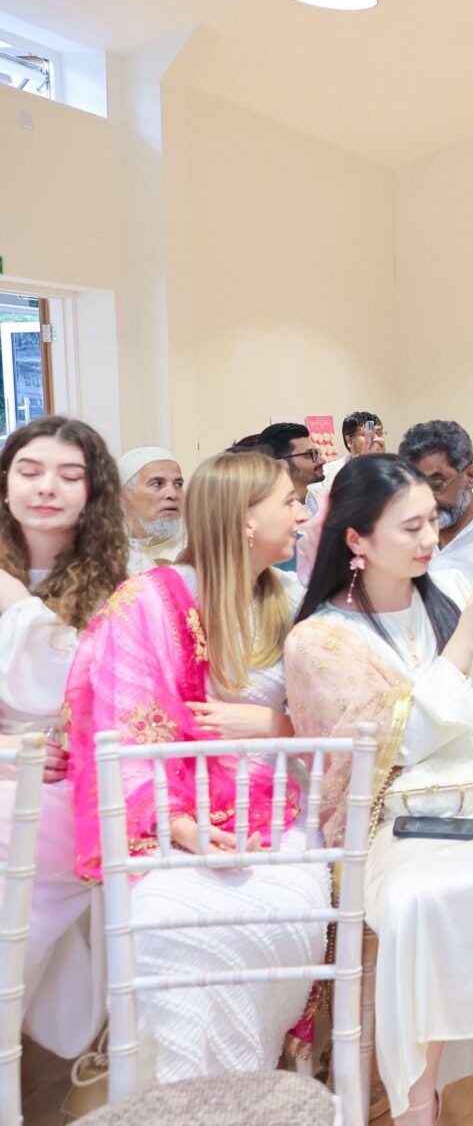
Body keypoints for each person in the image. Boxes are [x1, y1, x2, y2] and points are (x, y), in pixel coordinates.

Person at [284, 454, 473, 1126]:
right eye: (409, 528)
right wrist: (465, 640)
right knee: (413, 903)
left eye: (433, 522)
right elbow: (388, 751)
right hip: (400, 804)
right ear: (356, 538)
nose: (430, 539)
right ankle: (416, 1099)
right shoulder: (320, 639)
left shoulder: (456, 586)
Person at [66, 448, 329, 1085]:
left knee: (284, 916)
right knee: (166, 928)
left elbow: (336, 725)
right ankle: (188, 1096)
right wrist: (184, 828)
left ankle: (251, 1083)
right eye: (290, 502)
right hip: (170, 824)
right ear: (244, 519)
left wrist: (273, 725)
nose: (302, 515)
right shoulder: (149, 603)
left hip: (279, 810)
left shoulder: (292, 601)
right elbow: (119, 731)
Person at [0, 417, 129, 1062]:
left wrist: (16, 605)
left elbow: (85, 691)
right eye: (29, 471)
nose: (46, 487)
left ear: (92, 493)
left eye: (69, 475)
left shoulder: (123, 588)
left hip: (73, 784)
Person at [398, 419, 473, 579]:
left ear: (470, 476)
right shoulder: (401, 535)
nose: (426, 500)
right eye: (415, 487)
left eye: (437, 485)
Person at [119, 445, 187, 568]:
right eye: (158, 484)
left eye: (178, 484)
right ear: (125, 495)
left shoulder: (195, 544)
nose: (172, 494)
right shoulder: (102, 549)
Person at [311, 410, 384, 509]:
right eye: (368, 435)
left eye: (379, 433)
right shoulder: (328, 475)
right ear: (349, 440)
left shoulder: (394, 470)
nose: (377, 439)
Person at [252, 421, 328, 496]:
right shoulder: (266, 503)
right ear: (278, 464)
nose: (322, 461)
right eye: (311, 454)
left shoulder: (322, 498)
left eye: (317, 453)